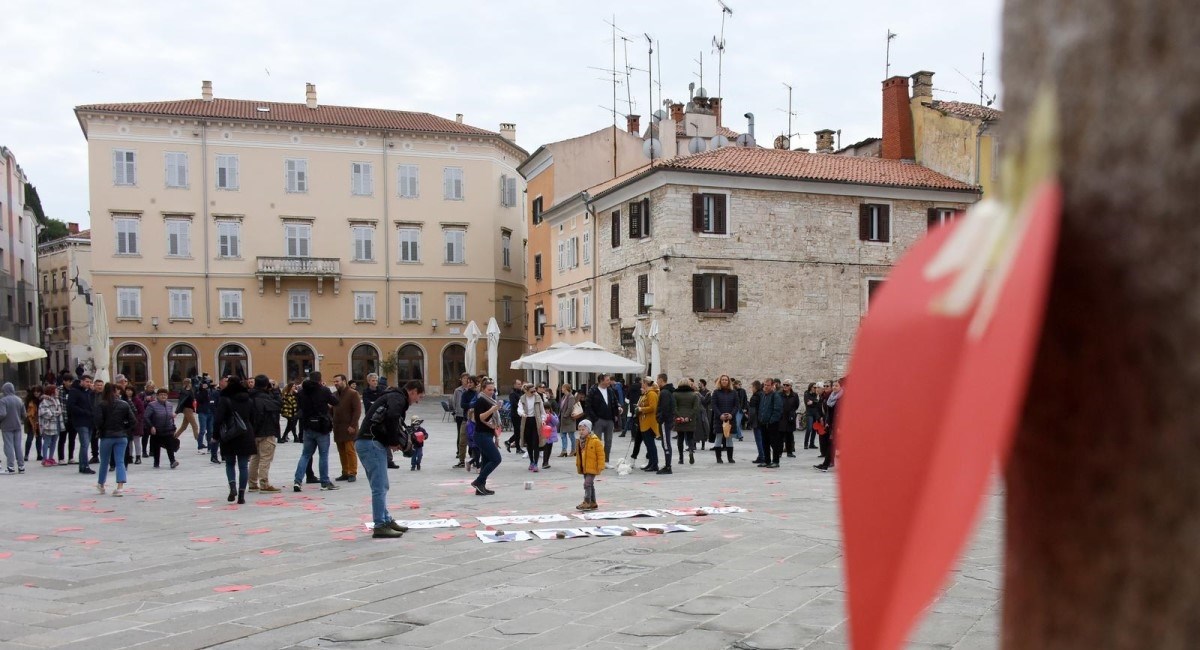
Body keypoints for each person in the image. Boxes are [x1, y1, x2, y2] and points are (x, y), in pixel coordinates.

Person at [357, 379, 425, 537]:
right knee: (379, 487)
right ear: (413, 391)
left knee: (382, 485)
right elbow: (392, 417)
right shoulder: (398, 398)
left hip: (368, 442)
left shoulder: (392, 396)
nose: (417, 401)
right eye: (419, 397)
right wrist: (394, 441)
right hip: (371, 443)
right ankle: (380, 525)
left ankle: (386, 519)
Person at [213, 377, 258, 504]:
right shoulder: (248, 399)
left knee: (230, 463)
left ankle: (232, 487)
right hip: (245, 432)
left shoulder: (224, 399)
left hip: (229, 434)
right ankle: (242, 494)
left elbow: (218, 419)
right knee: (243, 465)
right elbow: (253, 418)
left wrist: (215, 436)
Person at [293, 371, 339, 492]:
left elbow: (300, 406)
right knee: (323, 455)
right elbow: (335, 402)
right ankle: (324, 482)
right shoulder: (324, 390)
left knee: (305, 455)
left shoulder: (302, 392)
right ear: (320, 380)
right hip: (322, 426)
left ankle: (297, 481)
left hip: (307, 425)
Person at [92, 382, 134, 495]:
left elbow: (98, 421)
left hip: (106, 436)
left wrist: (101, 429)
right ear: (116, 391)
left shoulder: (101, 404)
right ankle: (120, 487)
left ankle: (101, 484)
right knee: (120, 461)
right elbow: (133, 420)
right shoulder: (124, 404)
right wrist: (125, 428)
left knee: (104, 461)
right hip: (121, 435)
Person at [248, 375, 282, 491]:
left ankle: (252, 483)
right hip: (266, 430)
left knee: (254, 458)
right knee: (265, 458)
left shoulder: (249, 396)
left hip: (253, 431)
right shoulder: (266, 397)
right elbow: (278, 405)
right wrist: (275, 390)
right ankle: (264, 483)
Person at [470, 380, 502, 495]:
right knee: (496, 459)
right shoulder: (480, 401)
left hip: (488, 434)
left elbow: (492, 422)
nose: (491, 392)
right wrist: (492, 409)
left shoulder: (491, 401)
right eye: (489, 389)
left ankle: (480, 488)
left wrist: (496, 437)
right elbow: (480, 418)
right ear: (483, 389)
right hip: (481, 435)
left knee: (486, 461)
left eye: (493, 390)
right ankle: (478, 482)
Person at [330, 374, 362, 482]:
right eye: (334, 382)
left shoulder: (353, 394)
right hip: (338, 428)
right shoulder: (334, 395)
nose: (335, 383)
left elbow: (357, 411)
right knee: (341, 451)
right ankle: (345, 472)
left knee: (350, 451)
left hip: (349, 427)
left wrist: (353, 425)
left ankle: (352, 472)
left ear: (344, 381)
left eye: (337, 381)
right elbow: (331, 410)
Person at [586, 374, 623, 467]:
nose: (609, 382)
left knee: (608, 441)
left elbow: (615, 401)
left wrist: (618, 407)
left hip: (609, 419)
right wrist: (595, 419)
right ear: (601, 381)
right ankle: (597, 461)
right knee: (597, 441)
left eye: (609, 380)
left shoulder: (610, 390)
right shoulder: (593, 391)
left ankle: (606, 461)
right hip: (598, 420)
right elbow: (588, 406)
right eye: (607, 380)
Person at [143, 388, 179, 469]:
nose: (163, 396)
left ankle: (172, 461)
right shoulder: (152, 405)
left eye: (165, 395)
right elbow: (146, 417)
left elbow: (170, 416)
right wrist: (151, 426)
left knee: (170, 446)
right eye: (161, 395)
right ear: (157, 396)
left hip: (168, 429)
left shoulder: (169, 405)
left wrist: (172, 418)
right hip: (156, 429)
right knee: (156, 447)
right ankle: (156, 463)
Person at [67, 375, 96, 473]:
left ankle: (82, 466)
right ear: (82, 381)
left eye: (90, 382)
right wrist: (84, 412)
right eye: (87, 382)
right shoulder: (74, 391)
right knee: (85, 443)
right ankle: (85, 466)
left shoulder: (89, 393)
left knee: (85, 444)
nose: (89, 384)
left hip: (90, 421)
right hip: (80, 421)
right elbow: (71, 406)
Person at [815, 378, 843, 472]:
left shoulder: (842, 398)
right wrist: (828, 423)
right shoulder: (832, 397)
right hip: (833, 425)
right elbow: (829, 412)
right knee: (831, 445)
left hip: (839, 426)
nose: (834, 387)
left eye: (836, 386)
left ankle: (826, 465)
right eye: (834, 385)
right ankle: (825, 465)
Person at [574, 419, 603, 511]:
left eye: (583, 429)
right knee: (590, 484)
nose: (581, 432)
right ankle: (593, 502)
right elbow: (579, 454)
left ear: (589, 430)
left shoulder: (595, 441)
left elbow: (601, 454)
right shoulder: (580, 441)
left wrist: (600, 465)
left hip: (592, 466)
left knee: (587, 484)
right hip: (585, 466)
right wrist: (578, 464)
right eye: (580, 430)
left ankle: (587, 501)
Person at [710, 375, 739, 464]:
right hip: (719, 418)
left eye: (726, 380)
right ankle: (719, 458)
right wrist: (720, 415)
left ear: (728, 381)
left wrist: (731, 414)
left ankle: (730, 458)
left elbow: (736, 405)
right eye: (722, 380)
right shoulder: (716, 392)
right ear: (720, 381)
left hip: (730, 418)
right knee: (719, 437)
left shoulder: (734, 393)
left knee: (729, 437)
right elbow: (714, 405)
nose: (724, 381)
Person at [517, 383, 546, 472]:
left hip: (536, 422)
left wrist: (543, 419)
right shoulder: (522, 398)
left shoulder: (538, 398)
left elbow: (542, 410)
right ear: (526, 391)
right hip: (526, 421)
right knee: (529, 443)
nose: (533, 392)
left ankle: (536, 464)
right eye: (531, 391)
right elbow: (519, 409)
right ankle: (531, 461)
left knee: (536, 443)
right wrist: (522, 414)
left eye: (534, 390)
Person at [672, 378, 701, 466]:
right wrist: (689, 417)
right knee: (690, 437)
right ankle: (691, 450)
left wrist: (680, 416)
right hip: (690, 419)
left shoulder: (675, 394)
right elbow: (696, 408)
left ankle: (681, 458)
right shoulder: (694, 395)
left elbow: (674, 407)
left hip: (679, 418)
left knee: (680, 438)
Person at [635, 377, 661, 471]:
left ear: (646, 383)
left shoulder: (652, 394)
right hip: (644, 422)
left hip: (650, 423)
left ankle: (654, 464)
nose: (642, 385)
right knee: (648, 445)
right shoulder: (646, 394)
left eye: (643, 383)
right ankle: (651, 463)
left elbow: (653, 408)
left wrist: (641, 409)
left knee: (651, 445)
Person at [757, 379, 784, 469]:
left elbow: (778, 410)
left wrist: (771, 420)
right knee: (765, 442)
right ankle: (767, 460)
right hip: (763, 423)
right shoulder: (763, 395)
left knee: (774, 443)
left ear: (772, 386)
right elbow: (761, 408)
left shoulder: (775, 396)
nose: (765, 386)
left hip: (772, 424)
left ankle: (775, 461)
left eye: (768, 385)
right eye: (764, 385)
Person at [0, 383, 26, 474]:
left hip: (7, 426)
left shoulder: (3, 401)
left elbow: (2, 414)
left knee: (9, 446)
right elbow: (24, 415)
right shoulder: (19, 400)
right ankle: (21, 466)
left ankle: (10, 467)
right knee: (18, 446)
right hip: (17, 426)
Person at [37, 385, 64, 466]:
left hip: (57, 424)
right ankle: (44, 459)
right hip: (48, 425)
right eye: (56, 390)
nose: (57, 392)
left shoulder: (57, 400)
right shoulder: (44, 401)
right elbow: (44, 413)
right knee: (47, 442)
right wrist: (55, 413)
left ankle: (51, 457)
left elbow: (60, 411)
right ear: (51, 391)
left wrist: (57, 413)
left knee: (54, 442)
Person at [453, 376, 477, 469]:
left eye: (471, 382)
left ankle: (475, 459)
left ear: (475, 383)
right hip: (466, 419)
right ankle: (461, 460)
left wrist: (471, 404)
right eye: (468, 382)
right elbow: (463, 405)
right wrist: (472, 404)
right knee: (462, 440)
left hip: (476, 420)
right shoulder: (465, 394)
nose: (469, 384)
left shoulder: (478, 393)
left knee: (475, 441)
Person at [654, 374, 675, 475]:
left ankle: (668, 466)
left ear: (661, 380)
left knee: (666, 443)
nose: (657, 382)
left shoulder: (665, 392)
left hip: (665, 422)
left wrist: (660, 418)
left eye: (657, 380)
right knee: (665, 443)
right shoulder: (667, 391)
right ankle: (667, 464)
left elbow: (665, 408)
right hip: (667, 421)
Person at [174, 378, 201, 452]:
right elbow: (181, 402)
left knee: (184, 427)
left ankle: (173, 438)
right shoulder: (184, 392)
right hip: (187, 409)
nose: (191, 384)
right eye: (190, 383)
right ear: (187, 383)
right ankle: (199, 442)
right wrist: (176, 411)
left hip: (190, 409)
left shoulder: (191, 390)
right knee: (194, 425)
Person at [122, 385, 146, 465]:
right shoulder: (123, 400)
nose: (128, 392)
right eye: (127, 390)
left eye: (130, 390)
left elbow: (142, 412)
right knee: (128, 441)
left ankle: (138, 456)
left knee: (136, 440)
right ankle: (129, 456)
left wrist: (136, 419)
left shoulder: (137, 400)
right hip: (126, 423)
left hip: (136, 423)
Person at [451, 372, 470, 468]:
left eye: (467, 378)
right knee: (460, 434)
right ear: (461, 379)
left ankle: (470, 451)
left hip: (469, 415)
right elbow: (454, 401)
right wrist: (455, 411)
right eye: (464, 378)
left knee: (470, 433)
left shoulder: (470, 390)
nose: (466, 380)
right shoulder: (457, 390)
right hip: (459, 414)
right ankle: (459, 451)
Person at [779, 381, 801, 459]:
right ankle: (779, 452)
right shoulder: (779, 394)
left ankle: (789, 452)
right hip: (781, 417)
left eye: (787, 385)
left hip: (790, 417)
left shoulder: (794, 395)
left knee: (789, 435)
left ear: (790, 386)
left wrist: (792, 412)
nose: (785, 386)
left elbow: (796, 405)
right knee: (780, 436)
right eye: (784, 385)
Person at [195, 377, 215, 462]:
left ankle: (210, 447)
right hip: (202, 412)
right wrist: (203, 391)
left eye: (207, 384)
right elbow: (200, 399)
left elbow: (213, 399)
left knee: (210, 430)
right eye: (204, 384)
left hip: (210, 412)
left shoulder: (211, 391)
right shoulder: (199, 391)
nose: (205, 385)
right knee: (202, 430)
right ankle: (200, 446)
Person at [557, 383, 578, 458]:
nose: (561, 389)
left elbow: (570, 408)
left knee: (571, 435)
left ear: (566, 388)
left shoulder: (571, 397)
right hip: (563, 420)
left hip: (569, 419)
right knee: (563, 435)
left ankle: (573, 450)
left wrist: (565, 415)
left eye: (562, 388)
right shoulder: (564, 397)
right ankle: (564, 450)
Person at [23, 385, 42, 463]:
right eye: (35, 392)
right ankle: (26, 455)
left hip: (39, 422)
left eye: (38, 392)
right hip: (31, 421)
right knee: (29, 439)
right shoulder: (29, 400)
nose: (36, 393)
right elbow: (28, 412)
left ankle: (39, 454)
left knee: (39, 439)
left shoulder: (41, 400)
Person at [504, 379, 524, 454]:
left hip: (520, 414)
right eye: (518, 384)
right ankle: (517, 448)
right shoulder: (512, 393)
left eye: (520, 384)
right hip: (515, 415)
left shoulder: (521, 392)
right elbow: (514, 404)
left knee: (519, 431)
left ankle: (509, 442)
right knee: (518, 431)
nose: (520, 385)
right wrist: (522, 405)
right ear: (514, 385)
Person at [746, 380, 763, 463]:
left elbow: (752, 412)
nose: (751, 389)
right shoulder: (763, 395)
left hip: (756, 421)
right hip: (763, 420)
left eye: (752, 387)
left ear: (755, 387)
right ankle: (761, 455)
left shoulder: (754, 397)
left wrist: (749, 421)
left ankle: (761, 456)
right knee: (763, 439)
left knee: (759, 440)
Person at [803, 382, 822, 450]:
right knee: (809, 428)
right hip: (809, 413)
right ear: (811, 387)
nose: (816, 389)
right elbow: (807, 403)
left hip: (815, 414)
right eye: (814, 387)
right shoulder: (806, 393)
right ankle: (806, 444)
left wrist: (813, 402)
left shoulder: (816, 394)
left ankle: (811, 443)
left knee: (814, 429)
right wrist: (815, 402)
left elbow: (818, 403)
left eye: (816, 387)